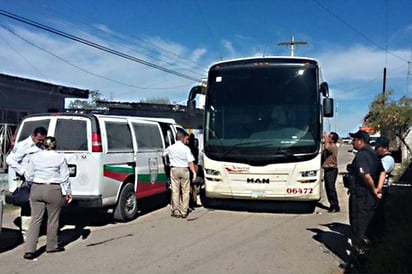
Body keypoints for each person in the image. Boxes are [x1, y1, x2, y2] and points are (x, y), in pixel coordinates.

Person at [23, 136, 72, 260]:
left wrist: (32, 184)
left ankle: (30, 250)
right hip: (53, 188)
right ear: (55, 145)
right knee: (53, 219)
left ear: (43, 145)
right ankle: (51, 246)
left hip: (36, 187)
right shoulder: (60, 157)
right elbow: (64, 176)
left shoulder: (34, 157)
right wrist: (68, 192)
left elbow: (28, 175)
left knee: (35, 219)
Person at [346, 130, 385, 255]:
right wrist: (378, 188)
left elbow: (366, 175)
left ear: (360, 141)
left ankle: (360, 257)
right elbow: (382, 172)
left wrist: (374, 190)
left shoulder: (362, 155)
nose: (352, 142)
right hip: (369, 198)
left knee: (359, 226)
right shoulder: (373, 154)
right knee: (368, 224)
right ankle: (370, 252)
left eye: (354, 140)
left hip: (361, 196)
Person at [6, 126, 47, 240]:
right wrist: (23, 171)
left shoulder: (42, 147)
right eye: (39, 140)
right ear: (33, 136)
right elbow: (10, 160)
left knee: (38, 205)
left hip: (38, 179)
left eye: (42, 140)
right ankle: (26, 234)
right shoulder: (23, 145)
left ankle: (37, 230)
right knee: (26, 205)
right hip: (25, 181)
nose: (41, 142)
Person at [366, 136, 395, 243]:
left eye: (377, 147)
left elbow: (381, 172)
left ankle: (379, 237)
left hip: (381, 189)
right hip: (377, 189)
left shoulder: (388, 159)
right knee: (374, 214)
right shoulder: (380, 158)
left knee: (378, 214)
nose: (375, 149)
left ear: (384, 148)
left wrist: (378, 189)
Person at [164, 131, 196, 218]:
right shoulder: (186, 149)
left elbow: (163, 154)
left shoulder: (170, 148)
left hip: (174, 169)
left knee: (175, 191)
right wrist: (194, 172)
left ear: (176, 138)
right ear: (182, 138)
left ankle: (176, 210)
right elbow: (190, 162)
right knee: (185, 191)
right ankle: (184, 211)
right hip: (184, 170)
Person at [321, 131, 340, 212]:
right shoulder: (329, 145)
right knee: (328, 188)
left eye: (329, 137)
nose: (328, 138)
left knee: (331, 188)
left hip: (331, 170)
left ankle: (335, 205)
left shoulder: (333, 146)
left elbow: (327, 148)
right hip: (327, 170)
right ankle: (332, 205)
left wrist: (325, 139)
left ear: (332, 139)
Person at [187, 133, 200, 208]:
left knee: (188, 183)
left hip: (188, 165)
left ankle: (189, 200)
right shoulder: (196, 148)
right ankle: (194, 200)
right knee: (194, 183)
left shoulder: (187, 148)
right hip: (195, 165)